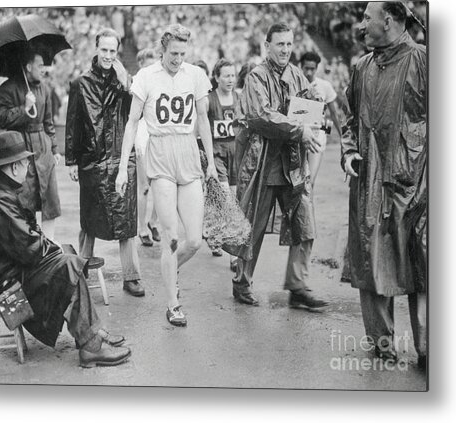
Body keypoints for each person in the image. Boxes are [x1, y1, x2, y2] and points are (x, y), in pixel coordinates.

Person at [0, 131, 131, 368]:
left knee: (66, 256)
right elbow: (30, 250)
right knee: (69, 264)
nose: (28, 167)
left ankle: (91, 333)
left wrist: (51, 247)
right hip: (2, 295)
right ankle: (90, 345)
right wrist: (52, 249)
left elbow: (26, 243)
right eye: (25, 162)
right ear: (14, 167)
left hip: (3, 278)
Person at [341, 2, 427, 369]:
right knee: (371, 259)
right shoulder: (361, 67)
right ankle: (382, 345)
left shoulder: (423, 61)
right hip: (371, 181)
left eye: (367, 18)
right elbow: (349, 117)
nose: (362, 25)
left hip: (420, 183)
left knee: (423, 265)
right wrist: (347, 152)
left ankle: (429, 349)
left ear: (388, 21)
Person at [116, 24, 218, 327]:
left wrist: (210, 162)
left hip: (187, 152)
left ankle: (170, 270)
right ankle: (173, 304)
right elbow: (132, 123)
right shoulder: (147, 76)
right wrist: (123, 166)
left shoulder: (195, 76)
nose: (178, 58)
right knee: (171, 238)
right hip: (159, 153)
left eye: (183, 53)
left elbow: (202, 119)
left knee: (195, 241)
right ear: (163, 49)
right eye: (173, 53)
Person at [231, 22, 328, 309]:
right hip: (264, 164)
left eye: (289, 44)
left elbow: (310, 103)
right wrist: (301, 128)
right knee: (254, 227)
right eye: (280, 44)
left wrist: (315, 111)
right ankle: (241, 281)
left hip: (293, 163)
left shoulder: (297, 74)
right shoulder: (256, 77)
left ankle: (297, 285)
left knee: (304, 222)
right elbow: (262, 116)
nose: (285, 49)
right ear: (267, 45)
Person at [65, 28, 145, 297]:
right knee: (89, 221)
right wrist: (71, 160)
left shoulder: (125, 80)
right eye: (105, 50)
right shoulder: (81, 83)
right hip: (93, 160)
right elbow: (73, 123)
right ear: (97, 49)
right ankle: (80, 269)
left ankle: (131, 276)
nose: (109, 55)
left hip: (122, 158)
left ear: (118, 51)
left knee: (126, 220)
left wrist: (126, 83)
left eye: (113, 51)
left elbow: (137, 112)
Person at [0, 49, 61, 241]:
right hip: (19, 149)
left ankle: (49, 248)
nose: (44, 69)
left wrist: (54, 148)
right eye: (40, 65)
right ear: (28, 66)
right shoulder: (7, 89)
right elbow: (2, 119)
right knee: (24, 200)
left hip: (43, 149)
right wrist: (24, 108)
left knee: (50, 202)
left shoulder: (44, 88)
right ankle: (28, 245)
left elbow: (48, 122)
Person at [207, 58, 239, 258]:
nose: (230, 79)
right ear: (217, 77)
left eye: (233, 75)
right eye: (226, 75)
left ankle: (215, 234)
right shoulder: (209, 99)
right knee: (226, 199)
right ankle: (234, 252)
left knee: (232, 198)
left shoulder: (240, 98)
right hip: (217, 152)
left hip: (236, 152)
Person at [300, 51, 342, 187]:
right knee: (297, 183)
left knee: (310, 182)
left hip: (317, 138)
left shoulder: (325, 86)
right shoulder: (295, 84)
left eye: (312, 69)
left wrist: (343, 137)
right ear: (301, 67)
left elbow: (334, 114)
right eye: (306, 68)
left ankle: (308, 207)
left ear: (317, 68)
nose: (309, 72)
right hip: (299, 137)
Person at [134, 48, 161, 247]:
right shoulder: (136, 83)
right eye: (147, 65)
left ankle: (153, 221)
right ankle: (141, 227)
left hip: (159, 134)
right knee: (143, 187)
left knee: (162, 184)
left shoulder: (161, 81)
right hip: (142, 134)